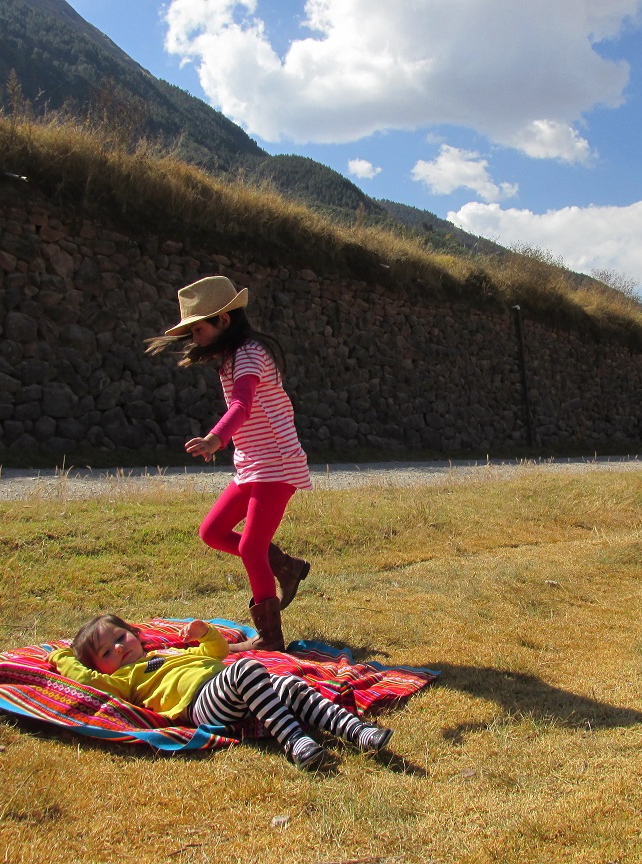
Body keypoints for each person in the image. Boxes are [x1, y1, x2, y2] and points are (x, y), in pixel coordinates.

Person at [146, 275, 311, 652]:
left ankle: (270, 639)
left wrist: (215, 439)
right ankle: (284, 566)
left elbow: (242, 404)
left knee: (252, 548)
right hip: (252, 462)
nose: (194, 338)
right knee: (213, 532)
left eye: (198, 328)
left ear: (223, 320)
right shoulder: (233, 356)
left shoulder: (250, 353)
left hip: (277, 462)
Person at [49, 614, 392, 770]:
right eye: (106, 652)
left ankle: (357, 731)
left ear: (136, 635)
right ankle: (294, 741)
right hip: (202, 705)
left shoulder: (169, 654)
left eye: (120, 638)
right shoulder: (126, 679)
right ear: (102, 667)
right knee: (247, 669)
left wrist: (205, 631)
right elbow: (86, 679)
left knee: (290, 684)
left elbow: (215, 652)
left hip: (240, 692)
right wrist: (61, 653)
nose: (119, 649)